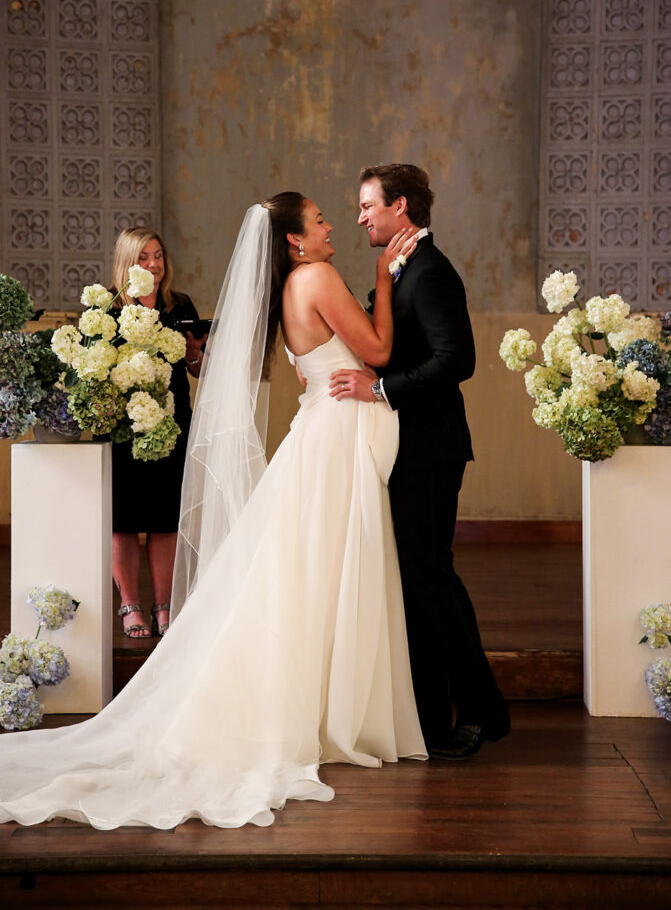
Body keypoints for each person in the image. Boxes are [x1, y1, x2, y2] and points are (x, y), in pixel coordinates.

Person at [0, 194, 425, 830]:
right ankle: (329, 711)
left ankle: (318, 702)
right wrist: (383, 282)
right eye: (319, 220)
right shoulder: (320, 277)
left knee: (309, 570)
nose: (333, 224)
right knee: (329, 567)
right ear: (295, 241)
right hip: (334, 437)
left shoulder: (291, 287)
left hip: (320, 433)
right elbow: (380, 350)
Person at [329, 164, 510, 758]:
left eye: (366, 206)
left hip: (431, 449)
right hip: (407, 448)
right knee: (413, 582)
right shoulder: (403, 265)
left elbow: (457, 359)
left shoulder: (430, 270)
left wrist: (379, 391)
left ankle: (483, 711)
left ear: (399, 205)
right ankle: (430, 716)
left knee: (431, 579)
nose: (359, 218)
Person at [109, 229, 207, 639]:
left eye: (159, 256)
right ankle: (130, 604)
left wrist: (196, 353)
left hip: (172, 422)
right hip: (124, 429)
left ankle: (164, 605)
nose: (153, 265)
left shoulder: (178, 305)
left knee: (166, 520)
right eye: (144, 257)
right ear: (127, 264)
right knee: (125, 520)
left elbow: (199, 369)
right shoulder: (109, 310)